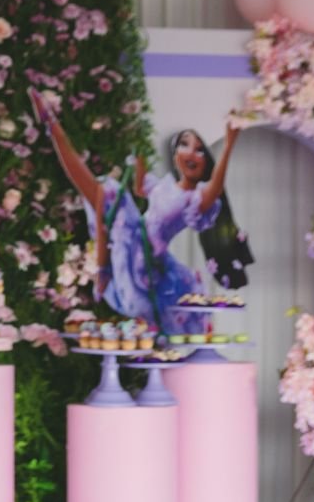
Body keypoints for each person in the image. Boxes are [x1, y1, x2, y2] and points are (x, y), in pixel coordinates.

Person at [31, 88, 243, 336]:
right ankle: (53, 127)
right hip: (133, 234)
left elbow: (215, 188)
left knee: (105, 194)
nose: (191, 153)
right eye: (184, 145)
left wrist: (229, 145)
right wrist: (139, 146)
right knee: (105, 191)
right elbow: (140, 186)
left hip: (147, 260)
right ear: (176, 155)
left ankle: (53, 127)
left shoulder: (195, 198)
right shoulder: (165, 185)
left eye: (199, 149)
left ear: (206, 161)